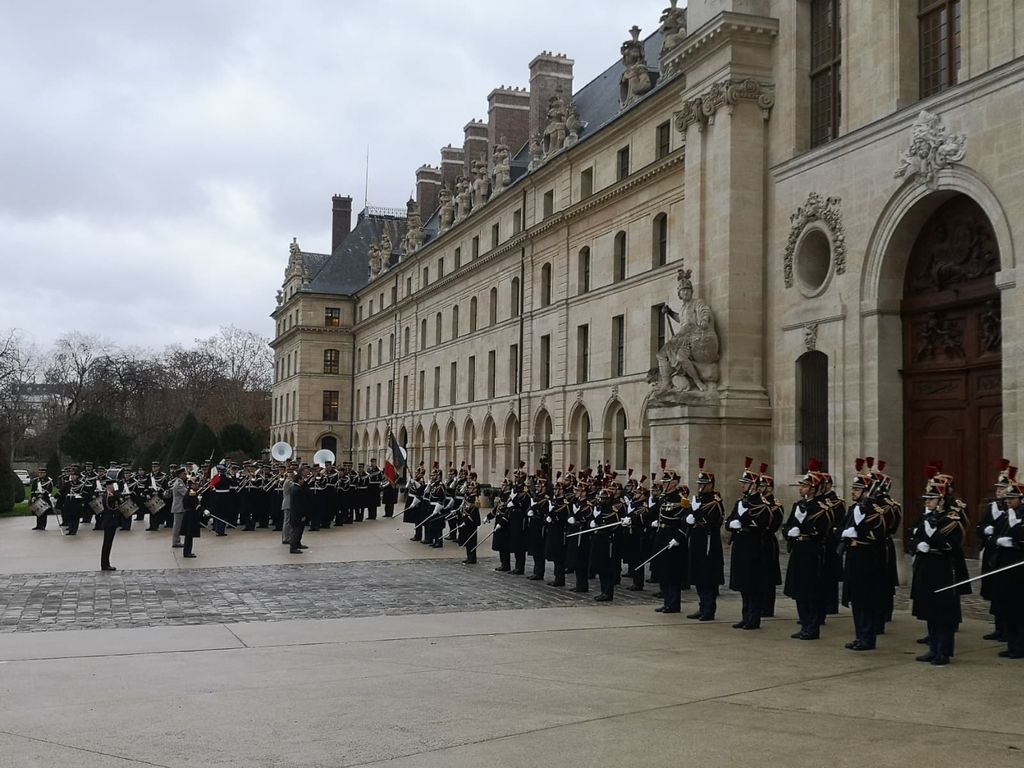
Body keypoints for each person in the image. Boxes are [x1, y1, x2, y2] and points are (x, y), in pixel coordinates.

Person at [909, 470, 968, 666]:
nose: (927, 502)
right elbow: (913, 536)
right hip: (926, 567)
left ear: (941, 500)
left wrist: (930, 537)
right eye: (926, 499)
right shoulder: (925, 518)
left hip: (943, 568)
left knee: (943, 612)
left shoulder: (951, 519)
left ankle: (943, 651)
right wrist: (918, 544)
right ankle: (933, 648)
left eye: (931, 498)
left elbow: (950, 543)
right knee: (929, 610)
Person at [782, 463, 830, 640]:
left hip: (812, 551)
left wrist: (803, 526)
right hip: (798, 550)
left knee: (811, 591)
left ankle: (812, 626)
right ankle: (804, 624)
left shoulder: (821, 508)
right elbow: (787, 526)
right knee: (799, 590)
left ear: (813, 489)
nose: (801, 488)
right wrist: (790, 533)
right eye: (801, 485)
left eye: (805, 486)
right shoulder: (798, 506)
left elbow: (822, 532)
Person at [687, 459, 725, 620]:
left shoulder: (715, 503)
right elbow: (689, 519)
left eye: (703, 484)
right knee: (698, 575)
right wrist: (689, 517)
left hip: (709, 543)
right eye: (699, 484)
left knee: (708, 577)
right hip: (697, 541)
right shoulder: (699, 500)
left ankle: (709, 609)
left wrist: (696, 514)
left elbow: (710, 523)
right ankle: (702, 605)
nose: (700, 487)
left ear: (711, 485)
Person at [990, 479, 1024, 659]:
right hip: (1004, 565)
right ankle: (1011, 644)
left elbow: (1020, 537)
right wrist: (998, 540)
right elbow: (994, 534)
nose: (1008, 501)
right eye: (1007, 498)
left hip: (1019, 569)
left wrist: (1016, 526)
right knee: (1007, 607)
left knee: (1019, 609)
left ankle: (1020, 646)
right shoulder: (1005, 514)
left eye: (1012, 497)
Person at [99, 478, 121, 571]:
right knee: (107, 544)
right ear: (109, 486)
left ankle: (106, 563)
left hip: (111, 522)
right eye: (113, 486)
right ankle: (105, 564)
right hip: (109, 522)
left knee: (108, 544)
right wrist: (116, 492)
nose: (114, 487)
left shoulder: (110, 495)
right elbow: (112, 502)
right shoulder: (107, 496)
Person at [57, 466, 86, 535]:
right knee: (69, 517)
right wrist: (55, 496)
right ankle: (70, 529)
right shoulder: (68, 484)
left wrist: (81, 497)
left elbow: (85, 493)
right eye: (72, 475)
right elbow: (62, 492)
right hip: (69, 502)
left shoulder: (81, 484)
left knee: (75, 517)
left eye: (74, 475)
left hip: (76, 503)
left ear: (77, 476)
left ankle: (74, 530)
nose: (72, 477)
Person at [181, 476, 202, 558]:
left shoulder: (192, 492)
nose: (197, 485)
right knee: (189, 535)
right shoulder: (191, 492)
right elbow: (195, 504)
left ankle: (188, 551)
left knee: (189, 535)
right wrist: (202, 509)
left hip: (190, 514)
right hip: (190, 515)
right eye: (195, 484)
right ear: (191, 485)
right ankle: (187, 552)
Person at [170, 466, 189, 548]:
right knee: (177, 526)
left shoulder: (180, 482)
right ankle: (176, 541)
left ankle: (177, 540)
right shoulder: (179, 483)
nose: (186, 475)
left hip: (180, 507)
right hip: (179, 507)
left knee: (178, 525)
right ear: (180, 474)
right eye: (184, 474)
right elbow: (186, 493)